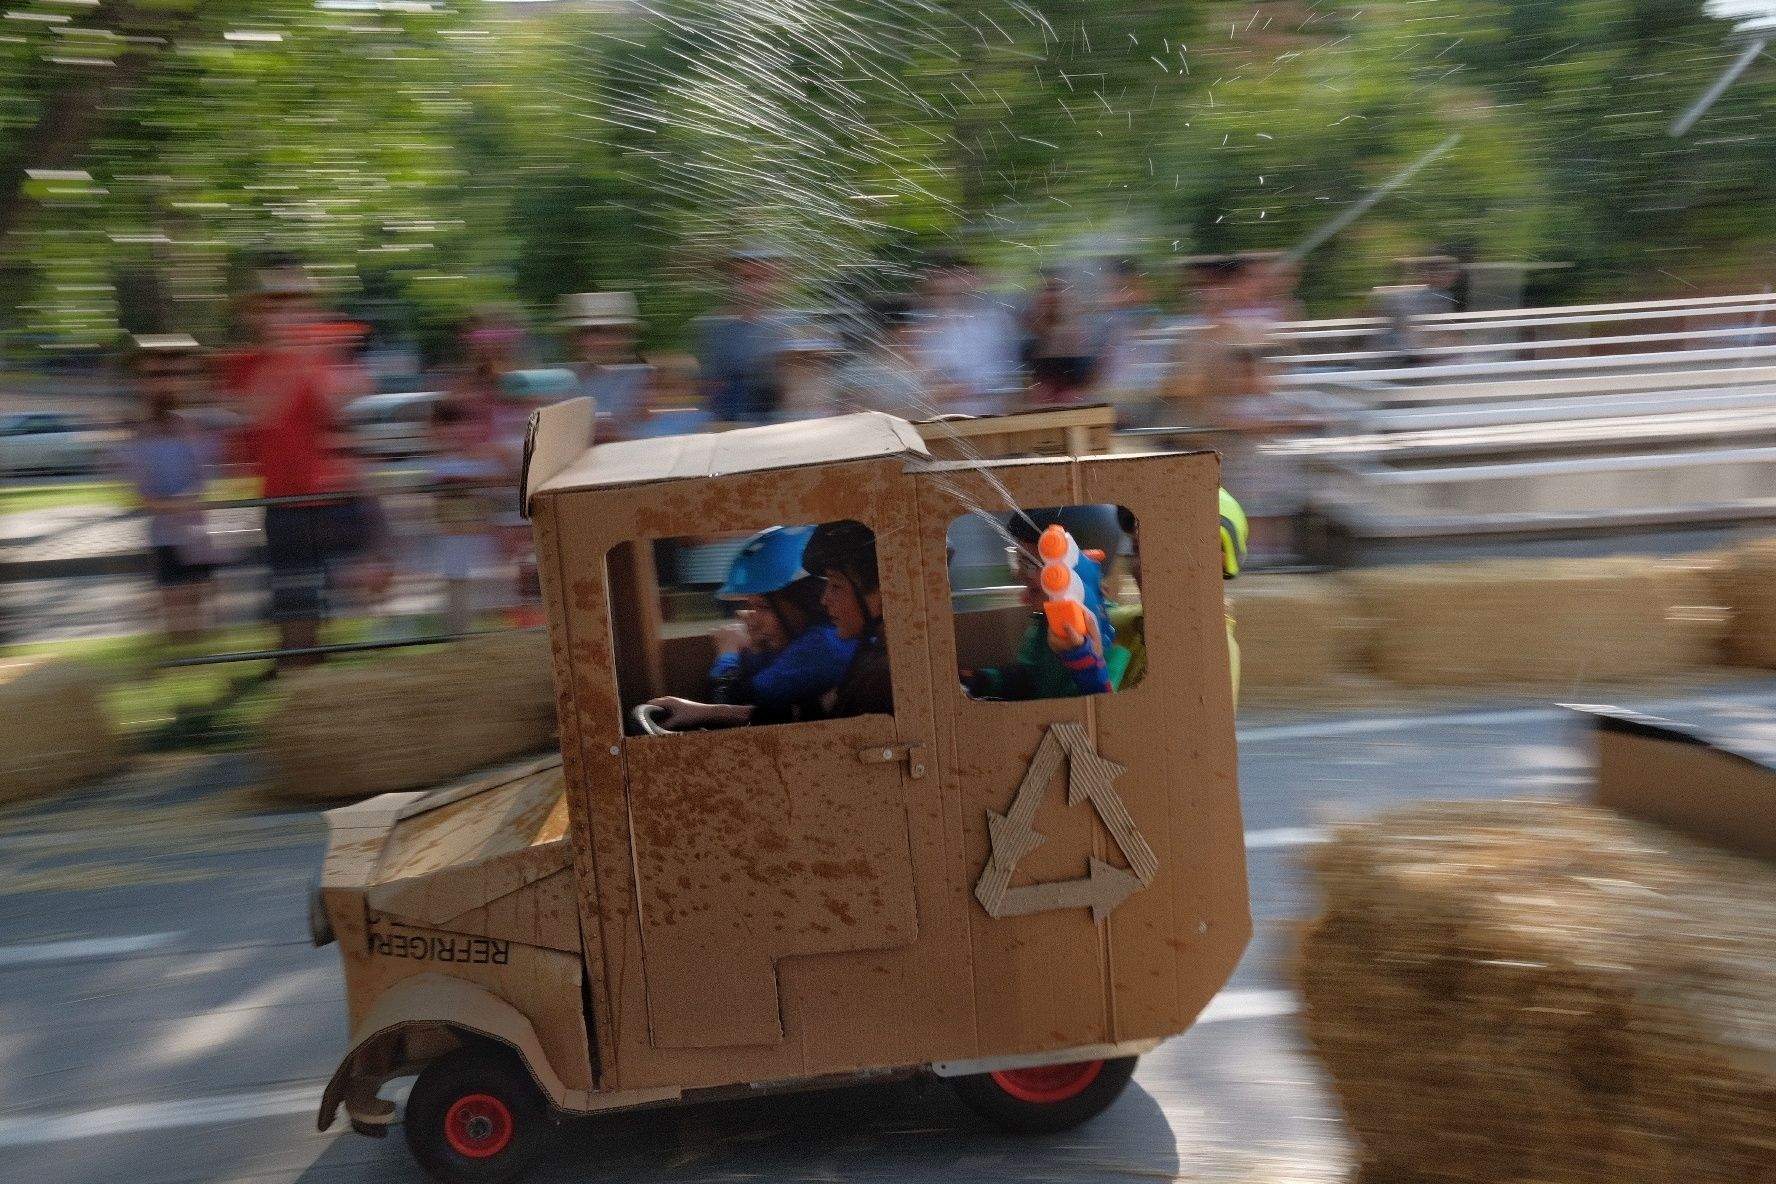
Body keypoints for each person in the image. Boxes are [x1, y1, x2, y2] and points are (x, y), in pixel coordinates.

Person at [229, 264, 375, 668]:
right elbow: (261, 411)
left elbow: (343, 402)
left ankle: (324, 683)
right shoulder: (243, 364)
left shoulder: (326, 359)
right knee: (294, 609)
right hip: (284, 504)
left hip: (337, 500)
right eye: (275, 306)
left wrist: (320, 358)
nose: (288, 315)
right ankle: (299, 682)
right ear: (256, 316)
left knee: (354, 605)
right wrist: (292, 358)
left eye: (298, 305)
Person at [647, 519, 891, 726]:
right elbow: (804, 713)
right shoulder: (862, 652)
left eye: (836, 586)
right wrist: (703, 711)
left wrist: (729, 656)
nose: (824, 599)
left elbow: (738, 699)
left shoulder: (833, 648)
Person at [113, 334, 220, 645]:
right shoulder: (135, 436)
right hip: (165, 542)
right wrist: (176, 506)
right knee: (179, 622)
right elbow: (141, 495)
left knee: (197, 620)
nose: (165, 383)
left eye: (172, 374)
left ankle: (193, 675)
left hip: (197, 539)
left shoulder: (192, 427)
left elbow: (204, 479)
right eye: (154, 376)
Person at [961, 507, 1122, 701]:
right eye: (1017, 560)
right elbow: (1029, 680)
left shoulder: (1114, 631)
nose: (1018, 573)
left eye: (1029, 564)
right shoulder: (1043, 624)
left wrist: (1081, 659)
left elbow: (1106, 710)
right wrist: (982, 681)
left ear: (1080, 568)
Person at [706, 526, 856, 719]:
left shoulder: (823, 644)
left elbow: (732, 706)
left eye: (763, 607)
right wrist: (755, 651)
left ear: (805, 601)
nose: (753, 619)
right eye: (751, 607)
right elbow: (775, 673)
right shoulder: (814, 636)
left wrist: (727, 654)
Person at [911, 251, 1022, 416]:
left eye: (966, 277)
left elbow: (1008, 378)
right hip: (941, 420)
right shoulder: (922, 328)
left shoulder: (997, 323)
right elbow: (919, 383)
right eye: (944, 279)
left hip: (991, 417)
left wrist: (969, 387)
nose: (958, 284)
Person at [694, 250, 790, 424]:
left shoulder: (788, 324)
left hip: (779, 421)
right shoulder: (713, 326)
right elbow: (709, 384)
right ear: (732, 282)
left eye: (763, 278)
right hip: (729, 420)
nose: (755, 285)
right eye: (746, 278)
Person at [559, 291, 652, 440]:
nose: (602, 341)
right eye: (591, 332)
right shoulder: (565, 379)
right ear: (575, 338)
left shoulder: (646, 379)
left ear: (628, 335)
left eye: (612, 332)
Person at [1022, 269, 1093, 405]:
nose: (1051, 296)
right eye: (1045, 290)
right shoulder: (1028, 340)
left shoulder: (1079, 337)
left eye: (1055, 290)